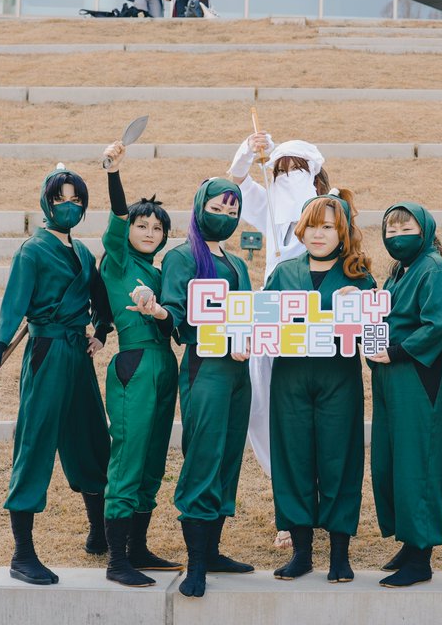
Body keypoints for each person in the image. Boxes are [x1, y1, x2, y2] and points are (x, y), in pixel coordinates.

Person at [0, 164, 112, 586]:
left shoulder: (83, 252)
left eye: (76, 201)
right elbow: (13, 305)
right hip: (47, 352)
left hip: (78, 355)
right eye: (60, 200)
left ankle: (99, 533)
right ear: (46, 203)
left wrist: (102, 333)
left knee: (91, 437)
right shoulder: (31, 251)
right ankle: (22, 553)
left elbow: (99, 296)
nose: (68, 207)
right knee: (34, 445)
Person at [227, 135, 330, 551]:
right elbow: (234, 182)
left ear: (314, 173)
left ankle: (322, 503)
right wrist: (249, 151)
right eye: (281, 169)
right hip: (272, 314)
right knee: (271, 413)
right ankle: (288, 513)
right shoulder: (267, 204)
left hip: (318, 316)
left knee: (318, 416)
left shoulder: (332, 208)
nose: (288, 177)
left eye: (297, 169)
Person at [154, 178, 254, 598]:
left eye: (233, 212)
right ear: (198, 207)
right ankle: (195, 564)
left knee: (229, 456)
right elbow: (179, 315)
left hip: (239, 373)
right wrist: (160, 312)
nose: (225, 217)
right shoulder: (181, 257)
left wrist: (249, 338)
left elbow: (247, 313)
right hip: (206, 368)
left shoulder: (238, 263)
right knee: (204, 456)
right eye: (218, 208)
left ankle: (212, 550)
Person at [266, 191, 373, 584]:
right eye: (312, 225)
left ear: (342, 231)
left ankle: (340, 555)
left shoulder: (359, 276)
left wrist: (359, 305)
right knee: (293, 459)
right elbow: (263, 326)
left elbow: (375, 339)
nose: (318, 234)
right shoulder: (284, 272)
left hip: (338, 379)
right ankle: (301, 552)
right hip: (291, 378)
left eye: (327, 226)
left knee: (338, 460)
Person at [96, 141, 181, 587]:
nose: (148, 231)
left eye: (156, 227)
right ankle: (117, 561)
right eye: (141, 224)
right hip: (134, 363)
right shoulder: (117, 261)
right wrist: (113, 173)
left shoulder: (164, 269)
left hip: (166, 366)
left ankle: (139, 548)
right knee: (128, 458)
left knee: (151, 462)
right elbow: (113, 222)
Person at [370, 203, 442, 588]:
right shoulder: (397, 273)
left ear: (424, 229)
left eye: (404, 226)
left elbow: (441, 324)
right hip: (390, 375)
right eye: (389, 229)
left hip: (421, 374)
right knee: (390, 461)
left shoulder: (435, 269)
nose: (396, 234)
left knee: (419, 462)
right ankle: (409, 542)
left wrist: (395, 351)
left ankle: (421, 556)